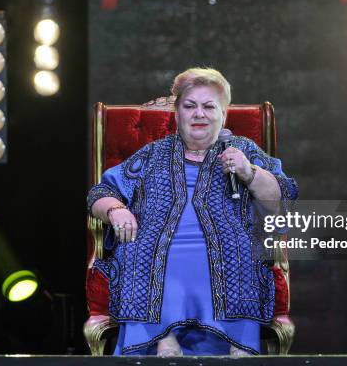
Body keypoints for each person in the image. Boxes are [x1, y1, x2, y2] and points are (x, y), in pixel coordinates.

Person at [87, 67, 298, 356]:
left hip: (230, 245)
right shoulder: (152, 154)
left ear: (223, 113)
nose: (199, 113)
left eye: (209, 106)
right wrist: (115, 210)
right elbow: (100, 192)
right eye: (190, 106)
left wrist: (250, 174)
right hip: (154, 243)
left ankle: (235, 342)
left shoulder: (243, 150)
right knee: (144, 248)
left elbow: (283, 200)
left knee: (236, 251)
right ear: (177, 113)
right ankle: (162, 337)